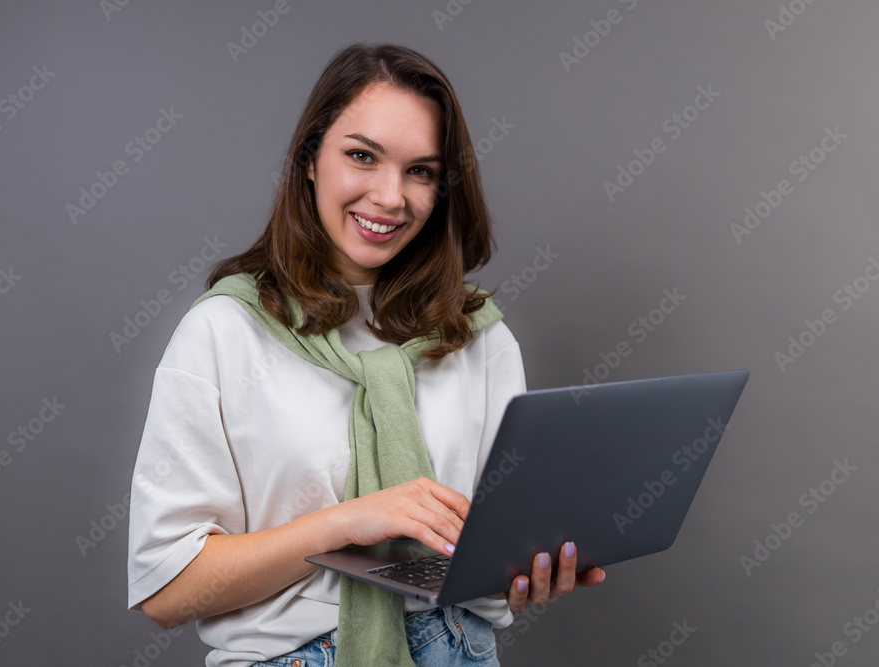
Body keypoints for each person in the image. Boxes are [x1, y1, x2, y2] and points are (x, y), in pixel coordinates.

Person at [126, 42, 604, 667]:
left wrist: (526, 570)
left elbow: (490, 549)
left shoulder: (478, 337)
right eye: (362, 156)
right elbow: (166, 590)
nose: (390, 196)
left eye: (420, 171)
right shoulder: (224, 332)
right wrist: (345, 524)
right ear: (309, 160)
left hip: (462, 648)